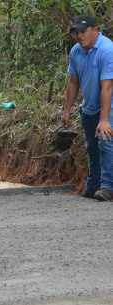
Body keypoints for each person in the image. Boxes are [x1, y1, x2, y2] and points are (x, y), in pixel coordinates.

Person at [63, 16, 113, 201]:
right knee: (92, 147)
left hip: (109, 107)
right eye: (76, 32)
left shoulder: (107, 50)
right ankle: (94, 184)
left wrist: (105, 119)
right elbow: (73, 82)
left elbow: (107, 86)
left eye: (83, 31)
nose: (79, 36)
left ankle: (108, 187)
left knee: (106, 143)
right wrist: (67, 109)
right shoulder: (76, 51)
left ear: (95, 30)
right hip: (89, 107)